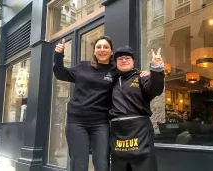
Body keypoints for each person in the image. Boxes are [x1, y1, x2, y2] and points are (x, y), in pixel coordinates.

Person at [53, 36, 149, 171]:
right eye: (98, 47)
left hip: (101, 123)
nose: (102, 50)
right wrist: (58, 55)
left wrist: (143, 73)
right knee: (79, 164)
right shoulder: (83, 66)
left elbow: (129, 70)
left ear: (111, 52)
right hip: (77, 122)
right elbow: (60, 74)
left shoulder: (115, 70)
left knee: (102, 164)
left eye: (106, 47)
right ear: (94, 51)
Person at [109, 45, 165, 171]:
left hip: (140, 131)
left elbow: (155, 89)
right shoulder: (111, 82)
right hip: (118, 133)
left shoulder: (142, 77)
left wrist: (156, 68)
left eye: (127, 58)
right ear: (116, 63)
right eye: (120, 59)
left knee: (144, 166)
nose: (124, 60)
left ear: (133, 61)